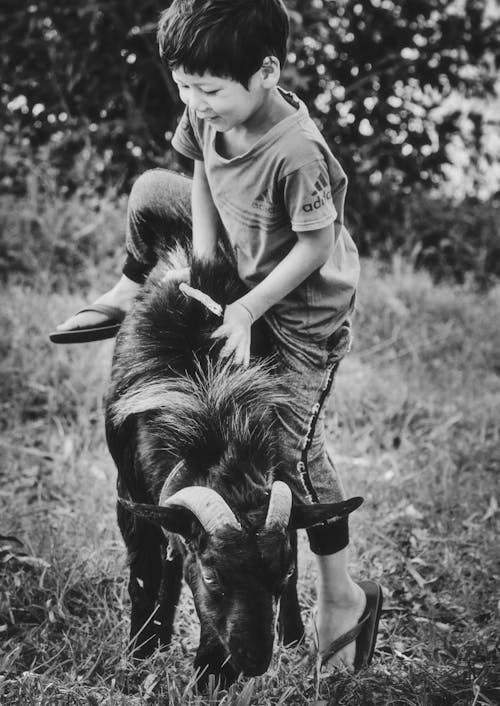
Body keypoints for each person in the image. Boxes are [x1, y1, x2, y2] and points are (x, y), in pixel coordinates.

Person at [51, 0, 382, 672]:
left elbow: (316, 247)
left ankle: (340, 594)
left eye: (207, 90)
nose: (194, 101)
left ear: (265, 72)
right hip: (237, 265)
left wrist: (247, 310)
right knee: (150, 192)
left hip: (295, 311)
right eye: (185, 87)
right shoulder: (207, 107)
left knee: (287, 443)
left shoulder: (296, 151)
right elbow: (199, 170)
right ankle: (130, 288)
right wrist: (201, 269)